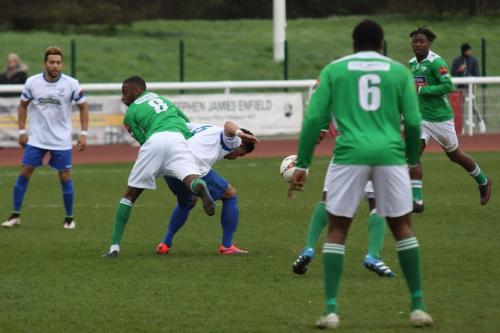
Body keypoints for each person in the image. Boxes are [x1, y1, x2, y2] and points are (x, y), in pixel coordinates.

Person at [288, 20, 432, 328]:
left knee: (337, 230)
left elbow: (315, 118)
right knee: (403, 228)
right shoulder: (398, 72)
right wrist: (409, 159)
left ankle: (330, 311)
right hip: (390, 154)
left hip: (349, 153)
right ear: (381, 43)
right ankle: (418, 306)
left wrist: (302, 164)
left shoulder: (334, 70)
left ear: (353, 43)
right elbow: (415, 122)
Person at [103, 76, 216, 258]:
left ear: (137, 91)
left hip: (154, 141)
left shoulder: (130, 113)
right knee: (191, 180)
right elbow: (185, 120)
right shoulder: (163, 99)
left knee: (130, 195)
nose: (123, 97)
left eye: (125, 93)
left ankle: (114, 248)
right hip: (177, 139)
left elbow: (142, 139)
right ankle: (199, 187)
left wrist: (155, 157)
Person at [2, 46, 88, 229]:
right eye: (52, 62)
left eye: (58, 62)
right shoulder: (32, 82)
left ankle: (69, 218)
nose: (55, 65)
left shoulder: (71, 83)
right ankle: (15, 215)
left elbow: (83, 107)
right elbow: (23, 106)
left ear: (62, 64)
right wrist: (21, 131)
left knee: (65, 176)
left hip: (61, 140)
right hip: (37, 139)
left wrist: (84, 134)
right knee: (24, 173)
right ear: (45, 63)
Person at [409, 27, 491, 213]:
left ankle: (483, 180)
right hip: (420, 118)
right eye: (415, 41)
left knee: (455, 155)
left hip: (440, 118)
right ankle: (417, 201)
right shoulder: (412, 63)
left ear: (429, 43)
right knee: (412, 156)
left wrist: (423, 91)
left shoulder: (436, 62)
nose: (417, 44)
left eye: (421, 41)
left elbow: (447, 86)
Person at [156, 122, 259, 255]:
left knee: (187, 201)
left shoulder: (202, 127)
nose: (234, 158)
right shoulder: (234, 140)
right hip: (193, 166)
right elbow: (228, 125)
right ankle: (227, 246)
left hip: (169, 165)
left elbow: (179, 124)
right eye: (240, 154)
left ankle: (165, 244)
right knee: (230, 195)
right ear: (241, 144)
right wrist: (240, 134)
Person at [292, 181, 395, 278]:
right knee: (376, 202)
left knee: (327, 198)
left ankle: (309, 248)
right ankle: (373, 255)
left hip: (344, 162)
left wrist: (302, 166)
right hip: (375, 162)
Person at [451, 43, 486, 133]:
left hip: (471, 87)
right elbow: (453, 74)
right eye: (469, 50)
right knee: (460, 107)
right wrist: (460, 70)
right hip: (460, 88)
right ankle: (460, 127)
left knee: (473, 106)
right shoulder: (457, 61)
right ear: (465, 51)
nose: (470, 52)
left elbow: (477, 74)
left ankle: (480, 121)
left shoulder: (474, 60)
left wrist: (472, 81)